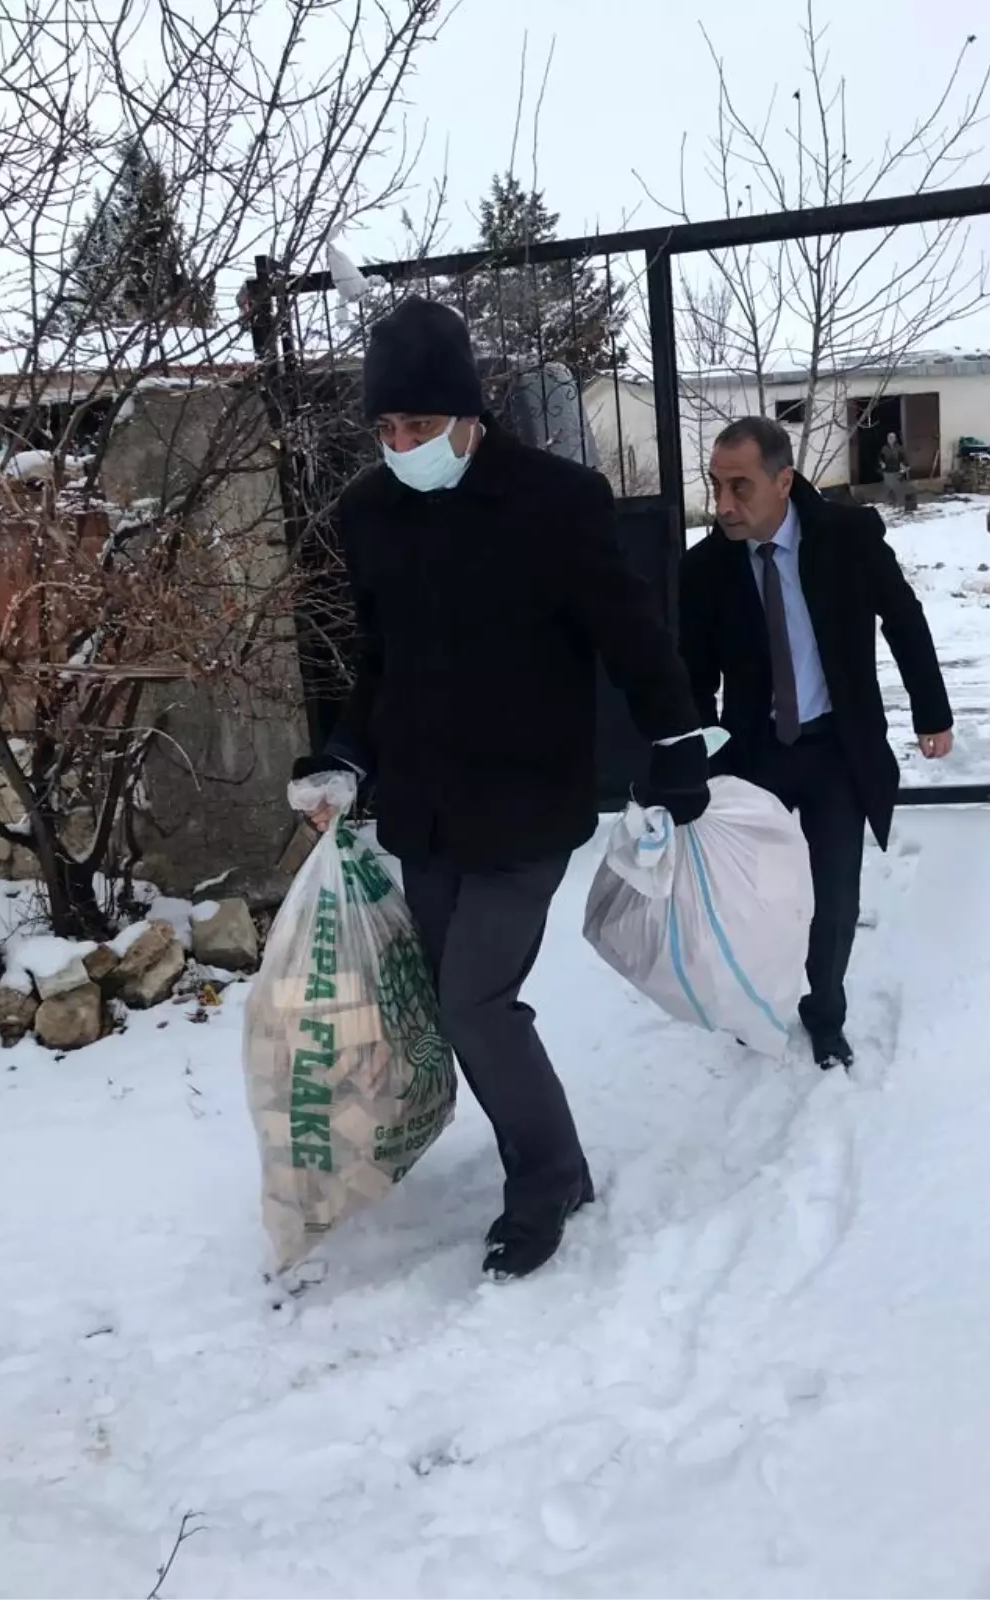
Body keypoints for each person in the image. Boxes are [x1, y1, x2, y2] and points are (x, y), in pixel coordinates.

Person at [291, 296, 709, 1280]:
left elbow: (630, 629)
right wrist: (346, 755)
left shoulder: (555, 500)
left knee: (476, 999)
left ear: (470, 412)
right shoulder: (369, 513)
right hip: (428, 806)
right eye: (388, 428)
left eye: (421, 425)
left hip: (528, 802)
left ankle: (549, 1178)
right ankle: (540, 1153)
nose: (403, 444)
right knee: (452, 1002)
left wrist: (678, 733)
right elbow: (380, 662)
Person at [679, 416, 953, 1072]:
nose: (723, 504)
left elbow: (903, 619)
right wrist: (696, 759)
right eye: (715, 485)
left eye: (740, 487)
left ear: (783, 480)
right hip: (754, 754)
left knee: (834, 897)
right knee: (758, 902)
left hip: (835, 748)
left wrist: (932, 712)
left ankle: (824, 1011)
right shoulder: (705, 567)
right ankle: (758, 1000)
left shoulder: (847, 537)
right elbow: (692, 674)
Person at [879, 431, 908, 505]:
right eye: (889, 437)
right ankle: (889, 501)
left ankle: (898, 501)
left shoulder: (898, 447)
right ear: (887, 439)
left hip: (896, 470)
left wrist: (903, 465)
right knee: (888, 487)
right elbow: (880, 458)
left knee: (897, 487)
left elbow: (902, 458)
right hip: (887, 471)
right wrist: (882, 463)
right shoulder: (884, 448)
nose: (890, 439)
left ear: (895, 439)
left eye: (892, 437)